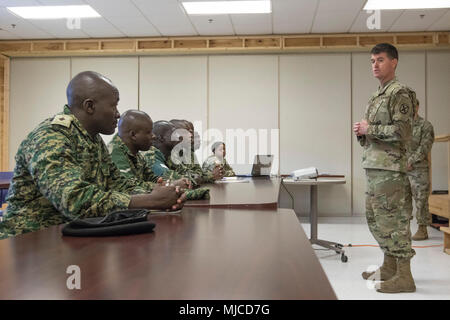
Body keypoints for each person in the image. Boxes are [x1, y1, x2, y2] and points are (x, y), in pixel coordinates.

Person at [0, 71, 185, 239]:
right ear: (89, 106)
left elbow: (117, 185)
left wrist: (161, 194)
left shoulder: (92, 139)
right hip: (28, 243)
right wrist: (151, 200)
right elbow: (74, 201)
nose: (118, 114)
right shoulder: (51, 137)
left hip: (71, 236)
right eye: (114, 106)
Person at [353, 43, 416, 293]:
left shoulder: (400, 93)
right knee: (376, 221)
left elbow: (403, 132)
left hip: (390, 171)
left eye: (380, 60)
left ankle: (405, 277)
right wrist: (361, 132)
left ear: (394, 62)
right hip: (375, 168)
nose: (375, 65)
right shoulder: (377, 95)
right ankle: (389, 268)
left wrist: (371, 129)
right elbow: (372, 133)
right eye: (372, 61)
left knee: (394, 222)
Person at [108, 110, 189, 190]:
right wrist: (170, 185)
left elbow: (152, 178)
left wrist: (169, 184)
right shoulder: (115, 153)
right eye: (149, 132)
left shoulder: (136, 153)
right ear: (133, 135)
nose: (153, 136)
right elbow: (130, 188)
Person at [141, 120, 210, 200]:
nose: (178, 136)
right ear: (161, 138)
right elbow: (178, 182)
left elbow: (193, 176)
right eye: (174, 133)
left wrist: (191, 179)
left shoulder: (169, 156)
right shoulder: (151, 156)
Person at [406, 96, 435, 241]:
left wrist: (410, 161)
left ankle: (423, 229)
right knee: (403, 200)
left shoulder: (425, 126)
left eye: (413, 106)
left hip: (419, 169)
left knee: (421, 200)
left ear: (417, 107)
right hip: (403, 170)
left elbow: (425, 147)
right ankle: (404, 229)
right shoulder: (403, 125)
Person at [169, 119, 223, 185]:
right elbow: (186, 176)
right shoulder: (171, 154)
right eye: (186, 132)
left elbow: (199, 173)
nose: (191, 135)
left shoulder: (187, 152)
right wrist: (211, 175)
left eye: (191, 132)